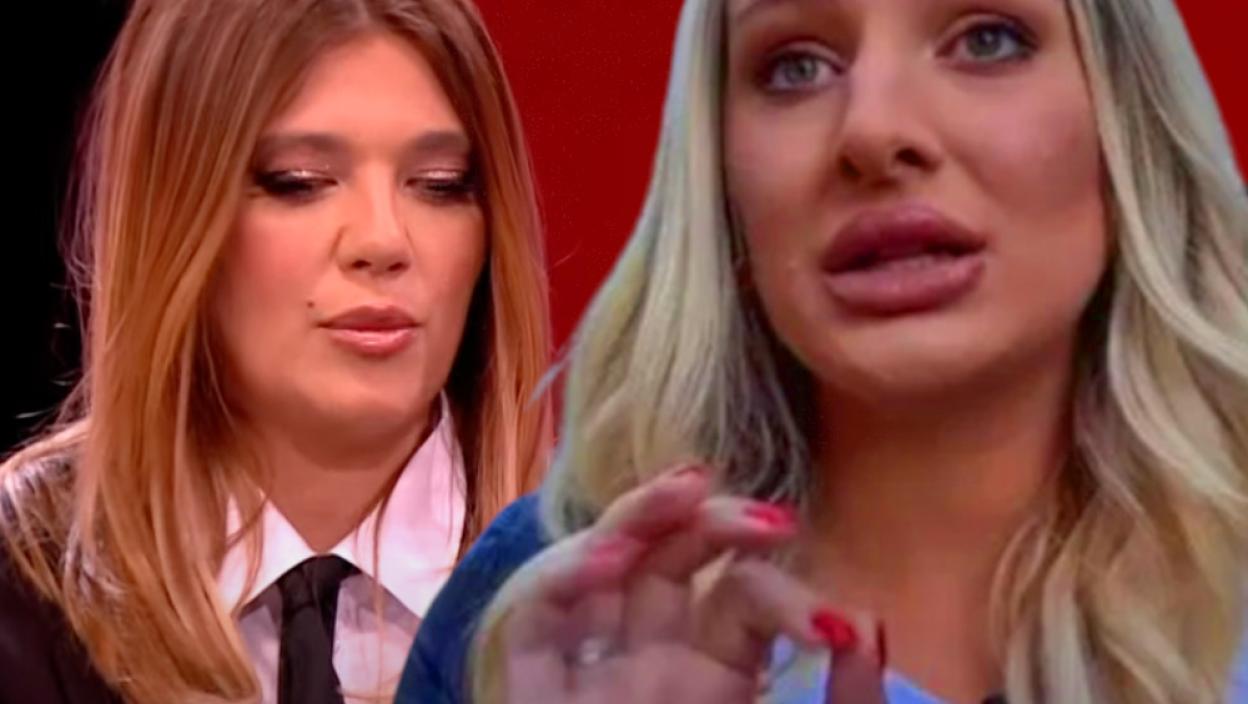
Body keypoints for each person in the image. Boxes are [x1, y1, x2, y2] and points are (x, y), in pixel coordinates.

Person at [396, 0, 1248, 702]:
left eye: (987, 40)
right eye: (795, 66)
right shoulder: (552, 604)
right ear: (723, 181)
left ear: (1126, 126)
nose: (872, 132)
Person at [0, 0, 552, 702]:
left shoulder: (615, 601)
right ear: (176, 214)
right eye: (300, 182)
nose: (383, 240)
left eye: (439, 184)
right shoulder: (21, 598)